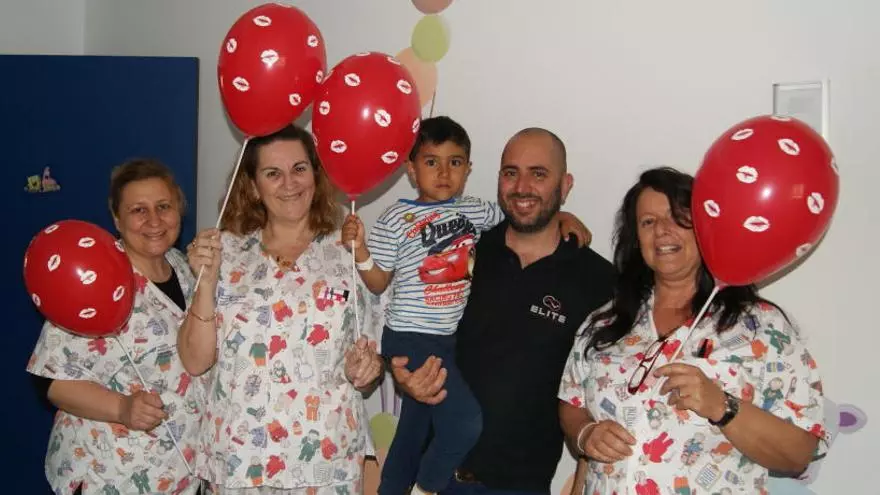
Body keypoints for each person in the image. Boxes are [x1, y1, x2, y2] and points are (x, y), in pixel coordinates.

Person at [343, 118, 592, 495]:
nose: (444, 173)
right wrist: (360, 251)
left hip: (450, 348)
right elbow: (378, 285)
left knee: (414, 424)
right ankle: (423, 487)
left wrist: (562, 216)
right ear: (411, 169)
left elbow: (524, 210)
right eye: (431, 162)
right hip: (413, 339)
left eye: (455, 162)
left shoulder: (476, 214)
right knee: (457, 422)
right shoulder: (401, 220)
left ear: (468, 169)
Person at [558, 167, 826, 494]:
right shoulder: (603, 323)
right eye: (648, 222)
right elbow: (572, 402)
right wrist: (586, 433)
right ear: (636, 239)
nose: (662, 231)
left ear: (705, 226)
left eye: (677, 217)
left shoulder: (762, 327)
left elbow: (799, 454)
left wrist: (722, 407)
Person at [178, 124, 385, 495]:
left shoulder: (348, 252)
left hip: (325, 460)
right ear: (253, 186)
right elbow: (195, 362)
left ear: (316, 175)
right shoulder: (222, 251)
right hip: (240, 460)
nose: (290, 183)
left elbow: (369, 363)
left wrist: (367, 370)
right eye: (273, 173)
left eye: (299, 169)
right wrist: (205, 283)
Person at [27, 159, 203, 494]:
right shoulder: (94, 276)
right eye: (138, 210)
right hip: (109, 475)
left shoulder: (185, 268)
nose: (154, 220)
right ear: (117, 219)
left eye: (164, 206)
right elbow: (49, 379)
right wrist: (121, 408)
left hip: (178, 473)